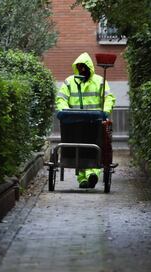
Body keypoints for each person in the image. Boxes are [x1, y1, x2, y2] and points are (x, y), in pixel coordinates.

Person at [56, 52, 116, 189]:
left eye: (84, 68)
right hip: (74, 121)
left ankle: (91, 174)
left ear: (89, 68)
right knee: (80, 148)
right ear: (76, 68)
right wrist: (65, 111)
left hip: (93, 122)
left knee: (92, 148)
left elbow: (108, 98)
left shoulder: (100, 81)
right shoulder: (69, 81)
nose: (82, 71)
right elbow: (61, 98)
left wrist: (105, 111)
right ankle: (83, 178)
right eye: (80, 68)